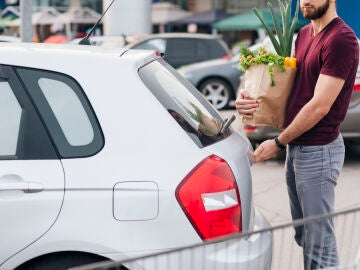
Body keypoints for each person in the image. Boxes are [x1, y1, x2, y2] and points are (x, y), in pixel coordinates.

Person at [235, 0, 359, 269]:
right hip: (298, 149)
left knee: (320, 246)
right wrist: (250, 99)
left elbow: (319, 106)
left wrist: (278, 142)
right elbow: (290, 89)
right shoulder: (303, 35)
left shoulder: (342, 39)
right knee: (306, 236)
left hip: (320, 151)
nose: (305, 1)